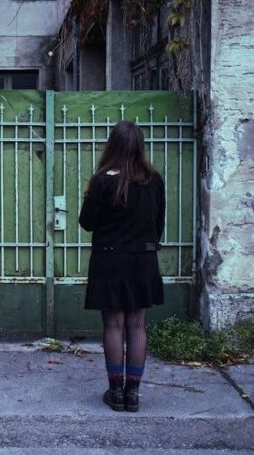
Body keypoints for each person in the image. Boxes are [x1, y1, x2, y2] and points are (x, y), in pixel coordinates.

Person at [78, 120, 165, 413]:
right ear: (140, 146)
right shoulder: (154, 180)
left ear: (112, 145)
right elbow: (158, 225)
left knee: (114, 324)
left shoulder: (102, 180)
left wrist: (90, 197)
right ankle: (133, 394)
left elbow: (87, 223)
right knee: (138, 325)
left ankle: (116, 392)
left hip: (110, 260)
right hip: (144, 260)